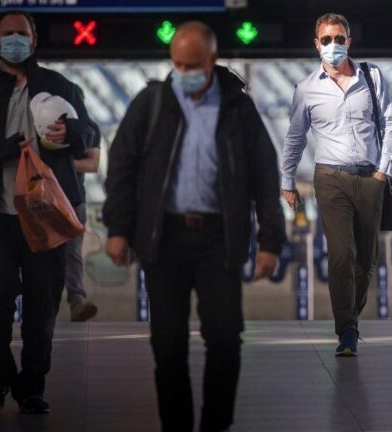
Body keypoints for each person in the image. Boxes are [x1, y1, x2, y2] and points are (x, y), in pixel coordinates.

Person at [103, 21, 285, 432]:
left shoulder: (237, 107)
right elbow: (122, 167)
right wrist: (118, 228)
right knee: (167, 345)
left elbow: (265, 175)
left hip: (217, 240)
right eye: (177, 64)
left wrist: (270, 241)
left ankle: (215, 425)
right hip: (163, 239)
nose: (183, 72)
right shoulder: (151, 103)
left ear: (212, 61)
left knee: (224, 340)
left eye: (192, 64)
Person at [0, 10, 96, 413]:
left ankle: (32, 385)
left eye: (23, 33)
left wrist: (73, 133)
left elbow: (91, 132)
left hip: (44, 217)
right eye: (8, 34)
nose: (16, 39)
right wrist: (6, 147)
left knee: (41, 306)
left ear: (35, 40)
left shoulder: (57, 85)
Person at [281, 13, 392, 356]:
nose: (333, 45)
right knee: (341, 253)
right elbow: (294, 138)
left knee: (366, 259)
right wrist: (287, 180)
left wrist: (383, 172)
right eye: (326, 39)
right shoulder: (307, 89)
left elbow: (391, 125)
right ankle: (346, 330)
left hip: (370, 177)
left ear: (349, 41)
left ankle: (352, 317)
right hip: (329, 177)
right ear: (316, 44)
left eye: (339, 38)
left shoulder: (372, 77)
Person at [65, 88, 101, 322]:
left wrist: (60, 164)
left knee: (72, 251)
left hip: (73, 196)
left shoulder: (89, 130)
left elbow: (93, 164)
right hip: (41, 197)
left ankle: (77, 300)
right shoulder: (41, 126)